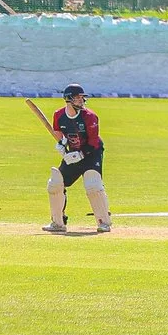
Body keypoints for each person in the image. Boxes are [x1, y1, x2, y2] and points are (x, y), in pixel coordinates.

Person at [48, 84, 112, 234]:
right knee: (56, 183)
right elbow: (57, 130)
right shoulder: (59, 115)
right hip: (73, 153)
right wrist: (62, 144)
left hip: (92, 153)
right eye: (77, 98)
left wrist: (80, 155)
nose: (81, 101)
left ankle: (104, 222)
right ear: (68, 99)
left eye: (82, 98)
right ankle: (58, 222)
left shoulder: (90, 116)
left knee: (93, 183)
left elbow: (94, 142)